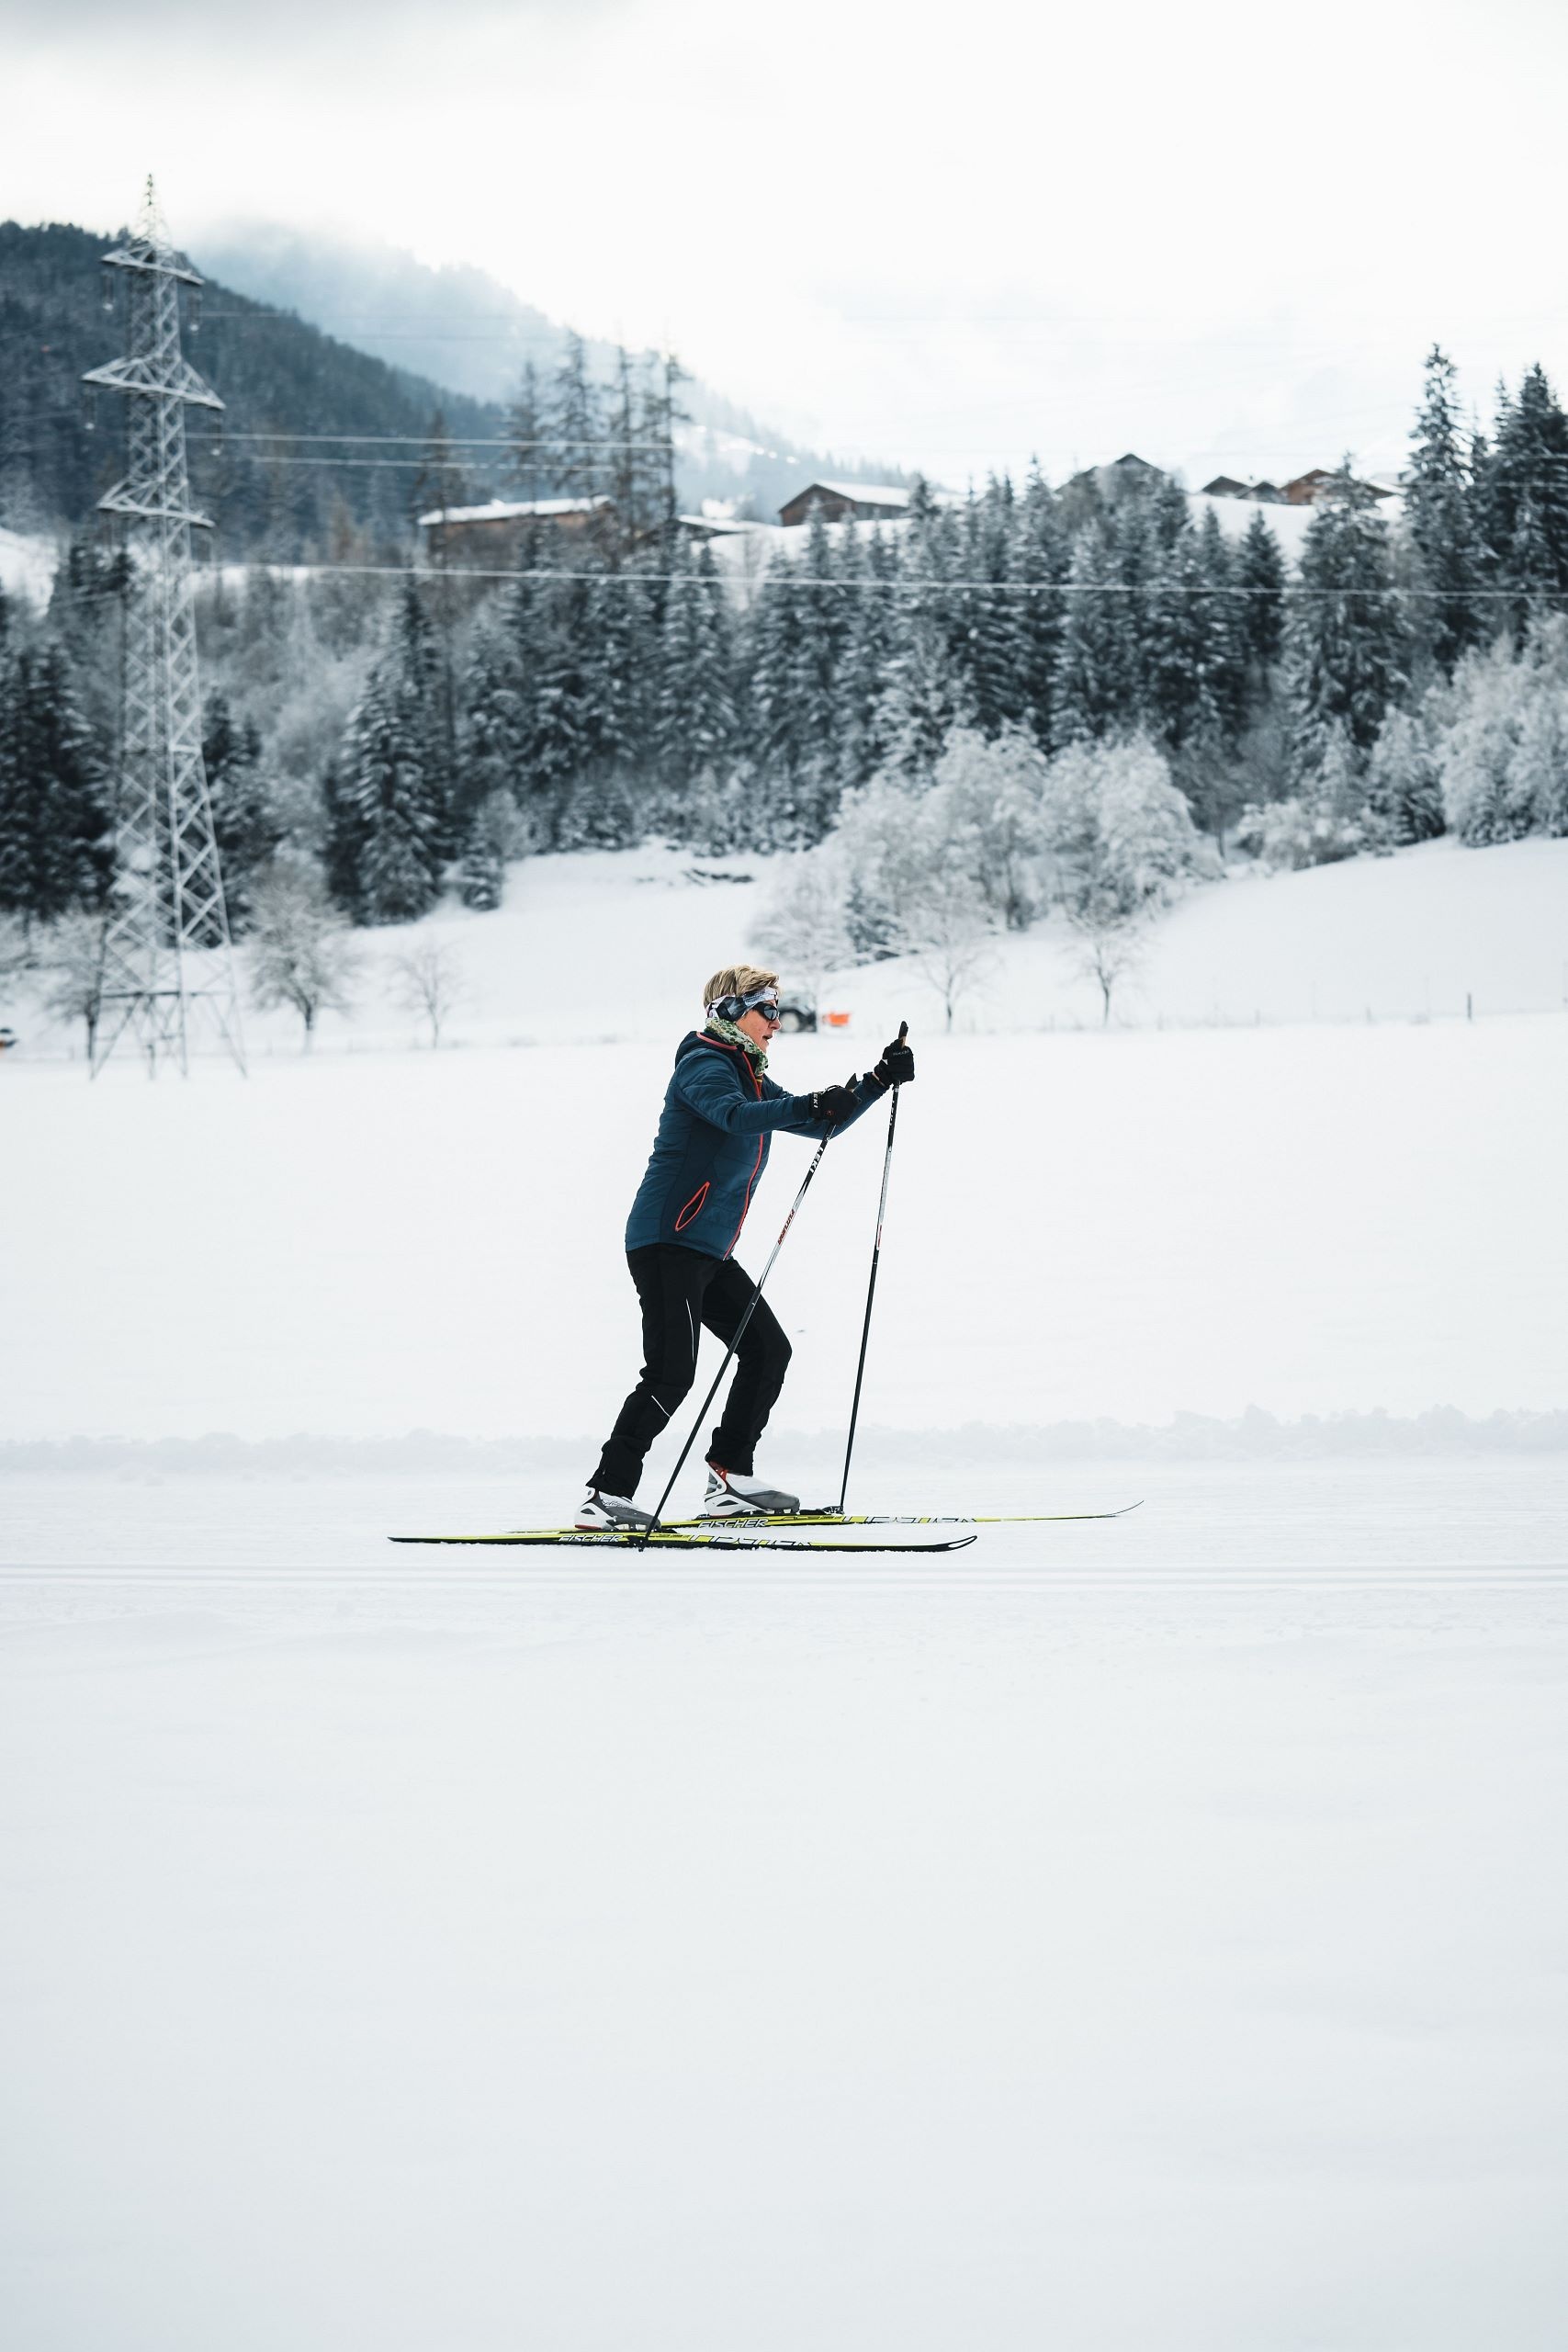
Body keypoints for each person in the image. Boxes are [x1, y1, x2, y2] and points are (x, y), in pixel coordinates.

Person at [579, 965, 916, 1529]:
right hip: (668, 1241)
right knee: (671, 1373)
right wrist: (810, 1103)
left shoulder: (750, 1075)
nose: (777, 1023)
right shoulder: (705, 1063)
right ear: (732, 1012)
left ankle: (730, 1478)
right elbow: (733, 1118)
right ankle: (605, 1495)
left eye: (779, 1010)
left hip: (706, 1248)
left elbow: (822, 1124)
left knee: (767, 1350)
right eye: (767, 1010)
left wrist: (878, 1080)